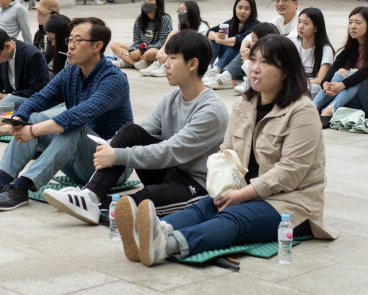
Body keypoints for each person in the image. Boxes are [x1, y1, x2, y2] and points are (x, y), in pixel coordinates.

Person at [116, 34, 338, 267]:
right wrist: (224, 188)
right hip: (244, 190)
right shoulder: (244, 105)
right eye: (253, 60)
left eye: (266, 62)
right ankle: (149, 231)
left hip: (291, 203)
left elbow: (290, 171)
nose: (255, 69)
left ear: (286, 71)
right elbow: (226, 153)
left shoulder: (302, 111)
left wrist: (242, 195)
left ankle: (167, 243)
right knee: (204, 207)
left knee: (233, 217)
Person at [43, 30, 229, 225]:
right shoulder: (170, 100)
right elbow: (141, 134)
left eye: (173, 58)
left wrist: (117, 155)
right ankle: (90, 195)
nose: (165, 64)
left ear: (192, 64)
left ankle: (94, 204)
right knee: (130, 130)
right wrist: (110, 147)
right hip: (168, 172)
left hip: (195, 187)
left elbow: (170, 151)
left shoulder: (211, 111)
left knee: (143, 200)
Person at [0, 17, 133, 211]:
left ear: (97, 46)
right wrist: (19, 118)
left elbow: (77, 116)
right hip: (78, 163)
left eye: (77, 41)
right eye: (69, 40)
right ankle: (2, 179)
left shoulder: (114, 79)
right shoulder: (70, 72)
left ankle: (22, 187)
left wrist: (34, 131)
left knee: (72, 127)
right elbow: (40, 98)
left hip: (111, 166)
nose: (70, 45)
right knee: (32, 117)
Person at [314, 6, 368, 127]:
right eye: (350, 22)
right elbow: (335, 65)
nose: (352, 26)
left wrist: (342, 85)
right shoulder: (351, 45)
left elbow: (365, 71)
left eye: (358, 22)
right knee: (339, 73)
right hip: (353, 101)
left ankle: (330, 110)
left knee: (355, 73)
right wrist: (325, 82)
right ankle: (313, 107)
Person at [207, 0, 300, 90]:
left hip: (286, 61)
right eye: (277, 0)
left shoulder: (300, 22)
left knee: (256, 45)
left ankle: (239, 78)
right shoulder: (277, 20)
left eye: (284, 0)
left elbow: (289, 44)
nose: (280, 4)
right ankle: (218, 73)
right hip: (270, 57)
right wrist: (243, 47)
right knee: (252, 43)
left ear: (295, 3)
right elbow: (251, 36)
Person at [143, 1, 209, 77]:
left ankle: (166, 64)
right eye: (179, 10)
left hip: (194, 56)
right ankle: (159, 63)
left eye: (183, 10)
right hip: (180, 53)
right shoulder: (181, 27)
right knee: (173, 33)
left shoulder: (202, 28)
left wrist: (168, 57)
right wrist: (162, 52)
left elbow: (193, 49)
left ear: (192, 11)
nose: (180, 13)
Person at [204, 0, 259, 85]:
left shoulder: (255, 25)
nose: (242, 11)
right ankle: (208, 68)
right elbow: (209, 31)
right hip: (226, 59)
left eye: (247, 9)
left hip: (239, 63)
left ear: (252, 11)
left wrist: (221, 40)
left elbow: (241, 40)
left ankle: (217, 69)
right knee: (214, 39)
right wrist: (216, 36)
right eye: (240, 7)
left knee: (238, 45)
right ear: (235, 8)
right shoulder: (232, 22)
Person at [111, 0, 172, 70]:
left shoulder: (164, 19)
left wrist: (141, 51)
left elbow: (162, 42)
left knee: (152, 52)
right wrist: (134, 52)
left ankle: (129, 61)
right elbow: (136, 41)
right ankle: (136, 63)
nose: (146, 2)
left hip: (152, 51)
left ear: (157, 4)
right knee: (115, 45)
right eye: (144, 0)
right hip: (138, 50)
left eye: (149, 0)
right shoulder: (139, 19)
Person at [291, 8, 334, 98]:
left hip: (311, 86)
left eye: (306, 23)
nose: (300, 26)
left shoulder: (325, 49)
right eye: (299, 22)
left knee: (314, 88)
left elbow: (320, 80)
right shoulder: (293, 44)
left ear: (316, 28)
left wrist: (298, 83)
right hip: (293, 83)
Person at [233, 22, 280, 94]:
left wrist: (246, 60)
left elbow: (252, 73)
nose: (251, 44)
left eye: (254, 41)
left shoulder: (269, 57)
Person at [31, 0, 61, 68]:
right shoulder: (38, 34)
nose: (38, 14)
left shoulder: (59, 34)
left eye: (42, 12)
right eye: (38, 11)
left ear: (54, 15)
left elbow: (48, 57)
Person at [44, 14, 71, 78]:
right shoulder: (56, 49)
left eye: (53, 39)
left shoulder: (72, 56)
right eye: (50, 40)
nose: (52, 44)